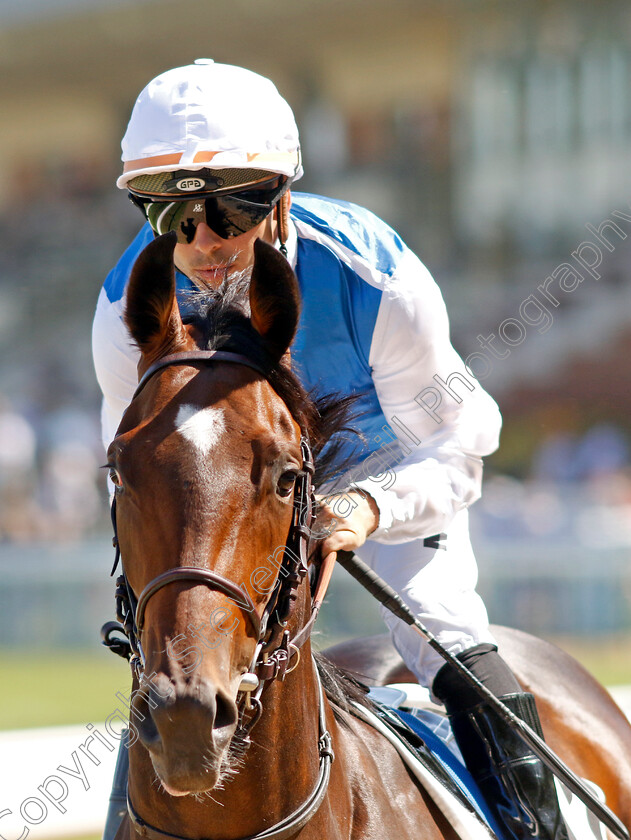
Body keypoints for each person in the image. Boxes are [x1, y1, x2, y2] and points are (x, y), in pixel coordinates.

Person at [92, 59, 568, 840]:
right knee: (167, 679)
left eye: (234, 205)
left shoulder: (371, 274)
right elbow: (135, 476)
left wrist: (366, 505)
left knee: (443, 635)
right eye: (170, 210)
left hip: (385, 468)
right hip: (232, 495)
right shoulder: (123, 311)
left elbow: (460, 442)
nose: (205, 239)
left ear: (282, 191)